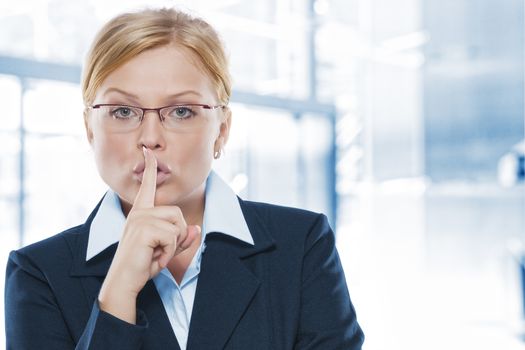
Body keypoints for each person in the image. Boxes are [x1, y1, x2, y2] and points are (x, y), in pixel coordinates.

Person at [4, 7, 364, 350]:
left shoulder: (300, 245)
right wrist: (117, 295)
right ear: (89, 129)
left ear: (221, 130)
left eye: (181, 111)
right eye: (123, 111)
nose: (150, 137)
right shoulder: (39, 274)